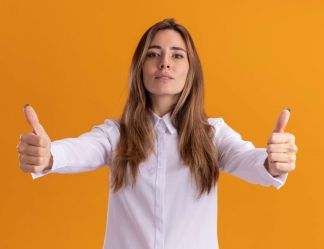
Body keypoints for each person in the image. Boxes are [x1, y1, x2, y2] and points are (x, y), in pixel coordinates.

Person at [17, 18, 297, 249]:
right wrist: (48, 154)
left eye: (177, 55)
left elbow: (248, 158)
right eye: (153, 54)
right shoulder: (116, 135)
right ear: (140, 68)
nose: (165, 63)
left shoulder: (213, 135)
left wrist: (271, 162)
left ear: (191, 70)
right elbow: (80, 149)